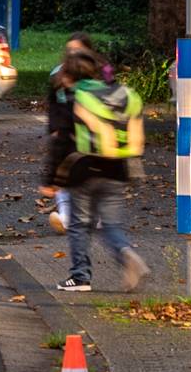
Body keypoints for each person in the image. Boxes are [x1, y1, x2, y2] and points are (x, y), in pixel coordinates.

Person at [44, 49, 150, 292]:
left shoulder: (75, 98)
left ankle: (80, 277)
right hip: (116, 169)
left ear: (70, 75)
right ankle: (126, 255)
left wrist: (51, 178)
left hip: (82, 170)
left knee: (80, 225)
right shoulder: (116, 95)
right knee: (110, 225)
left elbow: (61, 141)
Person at [42, 33, 112, 233]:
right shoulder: (59, 73)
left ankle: (95, 215)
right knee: (64, 171)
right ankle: (66, 216)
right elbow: (53, 102)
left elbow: (112, 95)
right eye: (70, 50)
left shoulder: (103, 70)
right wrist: (54, 128)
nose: (73, 54)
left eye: (78, 49)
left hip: (94, 131)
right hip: (69, 129)